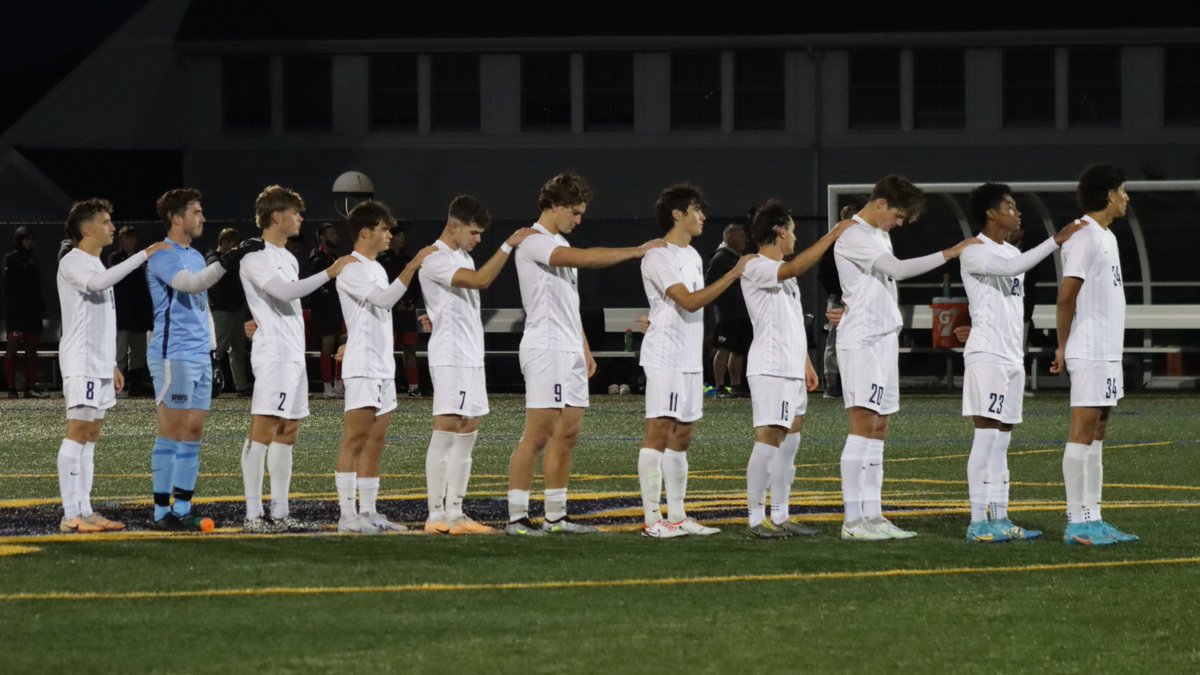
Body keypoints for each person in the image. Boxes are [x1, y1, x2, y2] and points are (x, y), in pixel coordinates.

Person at [505, 172, 665, 536]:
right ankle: (516, 518)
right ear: (555, 205)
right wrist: (637, 250)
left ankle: (556, 517)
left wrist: (584, 347)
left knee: (568, 434)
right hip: (546, 348)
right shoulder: (533, 241)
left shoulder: (557, 241)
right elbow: (586, 259)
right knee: (537, 435)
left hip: (569, 350)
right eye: (574, 212)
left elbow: (568, 303)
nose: (578, 220)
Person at [833, 175, 980, 541]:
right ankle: (852, 521)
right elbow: (897, 270)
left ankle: (874, 515)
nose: (899, 224)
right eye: (898, 216)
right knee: (862, 425)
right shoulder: (853, 234)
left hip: (884, 338)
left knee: (879, 428)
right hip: (862, 340)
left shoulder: (879, 234)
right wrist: (950, 252)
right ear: (881, 203)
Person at [960, 183, 1083, 543]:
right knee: (985, 438)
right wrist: (1056, 240)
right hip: (987, 356)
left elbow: (1011, 282)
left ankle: (1000, 518)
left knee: (1002, 443)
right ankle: (977, 522)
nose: (1017, 212)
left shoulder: (1011, 251)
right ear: (991, 213)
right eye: (1010, 206)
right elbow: (1011, 267)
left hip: (1012, 356)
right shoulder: (974, 251)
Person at [238, 186, 356, 533]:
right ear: (276, 217)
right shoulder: (254, 258)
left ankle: (280, 511)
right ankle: (252, 515)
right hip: (273, 355)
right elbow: (284, 291)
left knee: (288, 431)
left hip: (292, 354)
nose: (301, 218)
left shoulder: (288, 258)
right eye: (295, 212)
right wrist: (330, 272)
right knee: (263, 430)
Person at [637, 184, 751, 538]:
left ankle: (677, 515)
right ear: (677, 214)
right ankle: (652, 519)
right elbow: (688, 301)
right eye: (696, 210)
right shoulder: (658, 256)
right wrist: (733, 273)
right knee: (659, 431)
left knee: (683, 434)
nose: (702, 216)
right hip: (665, 355)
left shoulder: (694, 256)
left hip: (687, 357)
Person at [145, 188, 262, 530]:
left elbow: (203, 308)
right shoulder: (162, 254)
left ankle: (183, 508)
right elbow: (191, 285)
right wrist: (229, 258)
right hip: (173, 353)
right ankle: (161, 512)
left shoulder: (196, 255)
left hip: (197, 354)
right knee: (172, 432)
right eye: (196, 212)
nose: (203, 218)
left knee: (193, 432)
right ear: (176, 217)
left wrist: (212, 353)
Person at [420, 195, 535, 535]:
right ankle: (435, 514)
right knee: (447, 425)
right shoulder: (435, 258)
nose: (478, 239)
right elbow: (480, 281)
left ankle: (455, 512)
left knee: (468, 427)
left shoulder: (462, 257)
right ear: (453, 226)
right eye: (474, 232)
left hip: (470, 354)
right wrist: (508, 245)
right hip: (451, 354)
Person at [740, 199, 854, 538]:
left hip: (790, 368)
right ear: (779, 231)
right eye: (792, 231)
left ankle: (781, 514)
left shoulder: (784, 275)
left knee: (790, 443)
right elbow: (792, 269)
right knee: (769, 439)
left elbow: (790, 322)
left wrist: (805, 363)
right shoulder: (755, 265)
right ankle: (755, 518)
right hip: (770, 366)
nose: (795, 237)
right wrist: (832, 235)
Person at [55, 199, 170, 533]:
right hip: (81, 363)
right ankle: (69, 515)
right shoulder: (73, 261)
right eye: (106, 221)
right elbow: (97, 285)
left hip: (98, 365)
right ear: (87, 229)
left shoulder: (96, 263)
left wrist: (111, 365)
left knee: (90, 439)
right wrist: (143, 255)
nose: (113, 227)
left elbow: (102, 322)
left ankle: (86, 510)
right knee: (77, 435)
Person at [1051, 163, 1138, 546]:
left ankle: (1094, 517)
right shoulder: (1084, 236)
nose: (1126, 197)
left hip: (1107, 350)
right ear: (1108, 195)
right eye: (1123, 190)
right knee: (1082, 433)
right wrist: (1062, 345)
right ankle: (1076, 523)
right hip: (1089, 349)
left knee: (1098, 435)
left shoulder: (1106, 236)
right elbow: (1066, 296)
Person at [334, 201, 434, 534]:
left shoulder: (376, 267)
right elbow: (384, 300)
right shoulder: (351, 268)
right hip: (363, 365)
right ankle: (347, 516)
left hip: (381, 365)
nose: (390, 234)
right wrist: (413, 265)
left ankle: (369, 512)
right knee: (354, 440)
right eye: (383, 229)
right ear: (365, 233)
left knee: (376, 440)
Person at [376, 223, 424, 397]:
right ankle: (387, 386)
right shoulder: (382, 261)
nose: (402, 238)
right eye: (399, 235)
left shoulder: (409, 261)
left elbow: (416, 284)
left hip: (408, 313)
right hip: (391, 313)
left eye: (403, 235)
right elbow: (384, 286)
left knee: (410, 348)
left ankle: (414, 387)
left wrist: (411, 302)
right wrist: (397, 304)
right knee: (387, 349)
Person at [706, 222, 752, 398]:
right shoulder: (720, 259)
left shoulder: (738, 259)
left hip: (742, 313)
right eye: (740, 236)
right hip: (727, 315)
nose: (744, 240)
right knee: (724, 349)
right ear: (729, 237)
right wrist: (724, 303)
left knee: (738, 351)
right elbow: (710, 285)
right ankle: (719, 387)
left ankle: (736, 385)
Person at [109, 226, 154, 396]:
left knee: (139, 354)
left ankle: (136, 386)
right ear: (120, 240)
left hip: (139, 316)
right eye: (127, 238)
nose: (130, 241)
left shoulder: (142, 258)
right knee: (120, 354)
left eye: (133, 238)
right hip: (122, 315)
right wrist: (137, 268)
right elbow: (120, 278)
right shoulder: (115, 257)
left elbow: (145, 286)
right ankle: (116, 388)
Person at [206, 227, 252, 396]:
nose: (236, 247)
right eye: (233, 243)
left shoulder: (234, 260)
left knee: (238, 351)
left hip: (236, 310)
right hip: (221, 311)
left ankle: (241, 386)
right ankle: (206, 383)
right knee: (216, 350)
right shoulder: (212, 257)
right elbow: (216, 270)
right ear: (224, 242)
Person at [4, 225, 47, 398]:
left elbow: (37, 287)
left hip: (32, 314)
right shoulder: (10, 259)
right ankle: (11, 388)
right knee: (12, 349)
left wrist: (39, 307)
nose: (30, 242)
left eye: (32, 239)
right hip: (16, 314)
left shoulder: (34, 260)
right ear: (19, 240)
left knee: (31, 350)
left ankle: (30, 387)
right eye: (26, 239)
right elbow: (10, 286)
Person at [309, 222, 345, 398]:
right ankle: (327, 386)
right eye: (331, 234)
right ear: (322, 237)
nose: (336, 237)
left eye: (335, 233)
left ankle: (339, 384)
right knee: (328, 344)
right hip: (324, 309)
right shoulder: (317, 259)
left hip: (339, 308)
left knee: (342, 344)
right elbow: (318, 286)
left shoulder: (335, 257)